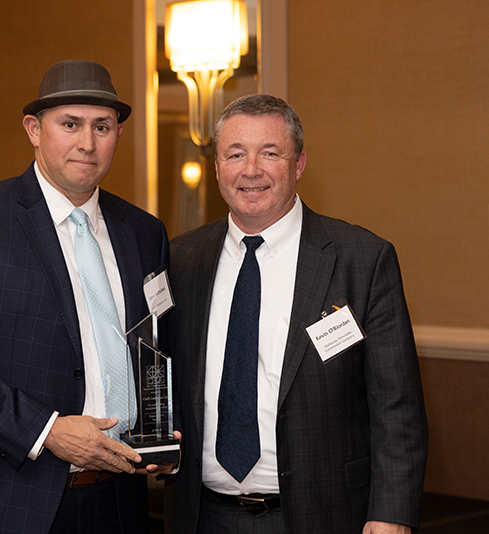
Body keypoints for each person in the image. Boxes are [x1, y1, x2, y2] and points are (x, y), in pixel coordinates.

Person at [0, 60, 172, 534]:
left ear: (119, 134)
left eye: (102, 127)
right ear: (34, 129)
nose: (87, 143)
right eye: (70, 124)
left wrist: (164, 431)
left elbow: (154, 341)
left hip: (119, 497)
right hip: (2, 495)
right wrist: (46, 429)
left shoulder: (145, 231)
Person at [167, 94, 428, 534]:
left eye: (270, 153)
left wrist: (391, 515)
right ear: (217, 168)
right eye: (235, 154)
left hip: (321, 516)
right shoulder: (181, 259)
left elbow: (397, 408)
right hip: (203, 516)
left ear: (299, 164)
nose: (251, 170)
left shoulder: (360, 260)